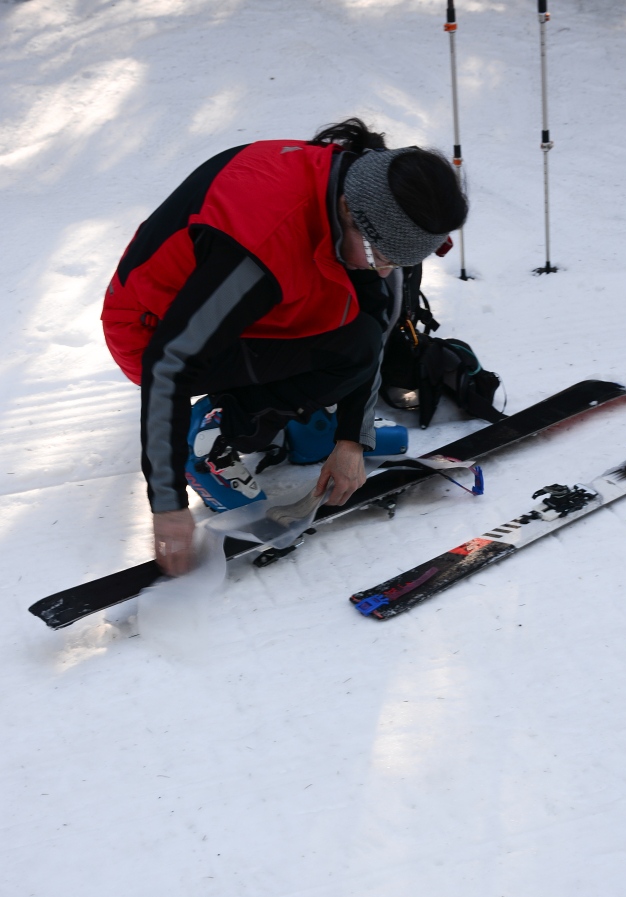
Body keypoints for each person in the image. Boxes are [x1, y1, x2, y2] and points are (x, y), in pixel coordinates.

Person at [101, 118, 468, 576]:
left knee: (360, 325)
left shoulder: (354, 181)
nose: (382, 270)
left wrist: (351, 439)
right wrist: (167, 502)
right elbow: (168, 363)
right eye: (380, 256)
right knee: (347, 347)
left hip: (233, 304)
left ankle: (306, 421)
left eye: (396, 260)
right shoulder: (259, 249)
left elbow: (372, 319)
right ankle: (213, 435)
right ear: (349, 211)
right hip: (149, 330)